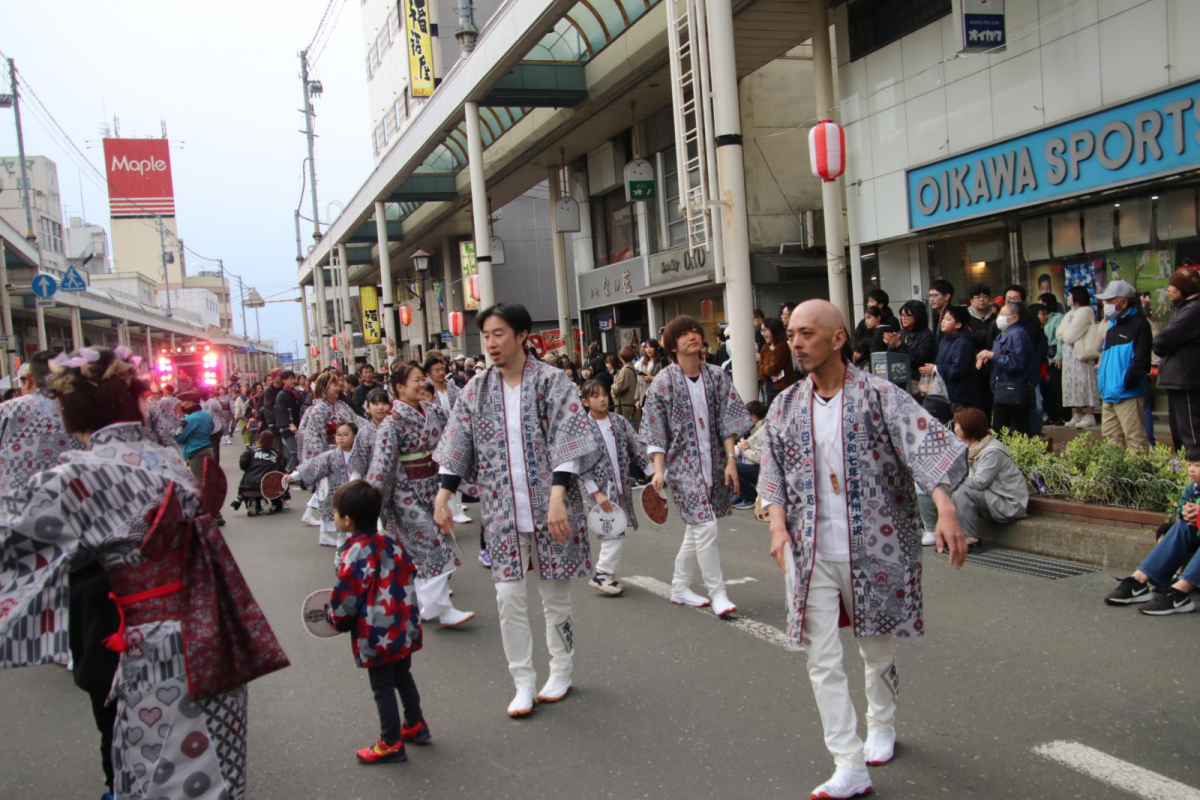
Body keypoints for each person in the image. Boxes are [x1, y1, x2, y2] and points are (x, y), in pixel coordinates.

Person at [0, 346, 289, 800]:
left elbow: (11, 541)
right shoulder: (167, 459)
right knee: (214, 767)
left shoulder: (76, 477)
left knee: (159, 771)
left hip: (153, 648)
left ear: (69, 411)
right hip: (209, 634)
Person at [758, 300, 968, 800]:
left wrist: (945, 507)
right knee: (821, 658)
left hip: (875, 547)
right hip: (810, 551)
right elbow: (773, 472)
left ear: (837, 339)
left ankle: (882, 722)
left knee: (875, 650)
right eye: (792, 334)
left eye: (807, 333)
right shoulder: (785, 405)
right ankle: (847, 763)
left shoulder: (880, 395)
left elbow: (925, 448)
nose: (796, 343)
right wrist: (777, 527)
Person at [433, 303, 602, 717]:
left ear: (522, 335)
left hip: (552, 508)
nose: (491, 343)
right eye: (486, 336)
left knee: (555, 598)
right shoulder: (476, 389)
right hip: (501, 513)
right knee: (508, 597)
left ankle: (560, 671)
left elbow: (569, 437)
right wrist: (442, 495)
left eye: (499, 334)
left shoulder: (552, 381)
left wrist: (558, 496)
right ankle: (522, 681)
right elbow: (457, 443)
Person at [640, 315, 753, 617]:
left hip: (714, 462)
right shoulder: (663, 382)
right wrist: (659, 469)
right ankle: (718, 594)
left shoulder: (716, 376)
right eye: (684, 334)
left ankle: (679, 587)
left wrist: (731, 460)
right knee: (706, 525)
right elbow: (655, 430)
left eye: (695, 331)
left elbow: (728, 421)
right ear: (672, 345)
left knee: (697, 527)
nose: (692, 336)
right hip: (681, 467)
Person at [362, 363, 475, 628]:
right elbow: (380, 465)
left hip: (432, 487)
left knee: (420, 552)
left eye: (422, 378)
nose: (422, 383)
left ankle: (424, 606)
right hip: (405, 494)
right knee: (434, 548)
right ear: (400, 387)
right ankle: (442, 610)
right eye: (415, 380)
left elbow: (456, 431)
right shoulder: (391, 423)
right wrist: (369, 501)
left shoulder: (433, 411)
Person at [325, 480, 429, 764]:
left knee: (382, 688)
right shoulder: (391, 541)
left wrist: (335, 619)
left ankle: (390, 743)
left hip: (376, 633)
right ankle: (415, 723)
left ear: (347, 520)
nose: (334, 516)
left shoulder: (355, 553)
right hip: (404, 626)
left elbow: (347, 596)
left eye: (336, 513)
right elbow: (410, 571)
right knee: (403, 676)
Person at [578, 378, 652, 597]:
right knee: (613, 530)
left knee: (615, 530)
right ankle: (602, 573)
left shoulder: (619, 421)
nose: (602, 399)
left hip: (621, 485)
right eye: (595, 396)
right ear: (585, 401)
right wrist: (596, 493)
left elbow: (636, 447)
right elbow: (580, 465)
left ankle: (606, 573)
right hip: (600, 490)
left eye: (604, 394)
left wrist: (653, 473)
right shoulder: (582, 428)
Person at [1104, 448, 1200, 614]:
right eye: (1189, 465)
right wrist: (1186, 514)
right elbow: (1182, 512)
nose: (1191, 469)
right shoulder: (1194, 487)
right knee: (1182, 527)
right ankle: (1139, 579)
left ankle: (1180, 593)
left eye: (1197, 466)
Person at [297, 372, 367, 545]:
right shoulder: (317, 410)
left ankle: (342, 531)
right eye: (335, 384)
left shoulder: (342, 405)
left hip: (346, 454)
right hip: (328, 456)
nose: (339, 386)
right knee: (328, 496)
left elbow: (357, 422)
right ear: (324, 387)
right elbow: (312, 438)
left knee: (344, 495)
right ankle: (329, 532)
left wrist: (374, 426)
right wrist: (321, 461)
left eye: (339, 383)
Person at [950, 407, 1029, 550]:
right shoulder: (972, 448)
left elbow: (979, 482)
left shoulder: (992, 451)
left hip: (1008, 502)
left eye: (957, 424)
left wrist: (954, 477)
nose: (954, 428)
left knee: (961, 490)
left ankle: (971, 539)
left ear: (968, 427)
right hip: (992, 497)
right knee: (947, 489)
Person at [0, 350, 81, 487]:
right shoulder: (82, 410)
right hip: (67, 493)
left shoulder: (8, 409)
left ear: (30, 379)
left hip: (12, 495)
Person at [1096, 279, 1153, 453]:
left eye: (1110, 300)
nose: (1105, 304)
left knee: (1135, 440)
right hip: (1109, 393)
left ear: (1124, 302)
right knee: (1111, 441)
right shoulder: (1112, 325)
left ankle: (1141, 471)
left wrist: (1125, 382)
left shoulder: (1140, 324)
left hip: (1128, 393)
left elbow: (1141, 362)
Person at [1152, 266, 1200, 453]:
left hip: (1186, 380)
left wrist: (1162, 344)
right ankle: (1185, 466)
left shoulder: (1194, 309)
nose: (1168, 289)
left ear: (1185, 288)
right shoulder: (1182, 308)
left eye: (1173, 286)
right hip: (1177, 379)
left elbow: (1163, 340)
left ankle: (1194, 466)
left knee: (1190, 433)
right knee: (1179, 432)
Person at [976, 301, 1037, 436]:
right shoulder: (1003, 334)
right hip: (1003, 389)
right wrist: (987, 359)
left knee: (1013, 431)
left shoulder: (1017, 334)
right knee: (1001, 431)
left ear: (1014, 317)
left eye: (1003, 314)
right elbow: (999, 358)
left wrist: (992, 356)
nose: (999, 317)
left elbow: (1016, 363)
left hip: (1014, 390)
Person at [174, 391, 226, 525]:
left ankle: (213, 515)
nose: (182, 404)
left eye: (184, 401)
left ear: (191, 402)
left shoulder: (189, 420)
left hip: (195, 454)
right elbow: (211, 428)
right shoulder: (206, 415)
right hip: (208, 450)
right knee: (207, 483)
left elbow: (178, 437)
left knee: (200, 486)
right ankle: (214, 514)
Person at [918, 306, 980, 410]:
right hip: (945, 392)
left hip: (959, 396)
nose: (943, 322)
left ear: (958, 324)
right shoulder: (945, 340)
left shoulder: (963, 342)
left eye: (947, 319)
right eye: (943, 318)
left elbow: (957, 369)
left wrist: (935, 369)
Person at [1058, 286, 1101, 428]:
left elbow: (1069, 336)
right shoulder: (1070, 313)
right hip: (1069, 356)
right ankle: (1078, 413)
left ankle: (1090, 414)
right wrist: (1066, 333)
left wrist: (1066, 333)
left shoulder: (1085, 311)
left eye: (1070, 295)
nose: (1068, 298)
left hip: (1081, 354)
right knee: (1073, 383)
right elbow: (1059, 333)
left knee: (1085, 382)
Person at [877, 300, 937, 386]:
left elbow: (920, 361)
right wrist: (891, 344)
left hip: (917, 380)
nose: (903, 318)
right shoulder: (901, 333)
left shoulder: (927, 336)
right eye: (902, 315)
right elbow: (891, 357)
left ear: (917, 316)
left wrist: (899, 345)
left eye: (907, 315)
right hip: (899, 377)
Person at [233, 429, 287, 516]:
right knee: (278, 506)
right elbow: (281, 469)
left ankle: (255, 504)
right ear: (272, 441)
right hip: (268, 487)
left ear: (259, 440)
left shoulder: (250, 450)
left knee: (249, 479)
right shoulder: (277, 453)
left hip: (248, 486)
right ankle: (270, 504)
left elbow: (243, 465)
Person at [730, 400, 768, 510]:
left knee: (734, 467)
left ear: (753, 417)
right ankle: (742, 494)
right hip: (759, 467)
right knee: (732, 463)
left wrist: (744, 450)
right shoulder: (758, 427)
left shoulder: (763, 431)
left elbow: (759, 457)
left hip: (764, 470)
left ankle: (750, 497)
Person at [1036, 295, 1066, 426]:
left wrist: (1059, 355)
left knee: (1056, 387)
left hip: (1054, 355)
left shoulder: (1057, 317)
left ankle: (1061, 415)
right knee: (1046, 388)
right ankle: (1051, 414)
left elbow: (1060, 338)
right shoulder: (1039, 319)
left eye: (1041, 302)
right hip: (1044, 356)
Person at [758, 317, 796, 404]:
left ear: (773, 329)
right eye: (762, 330)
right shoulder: (765, 347)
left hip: (783, 389)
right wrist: (767, 372)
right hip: (769, 389)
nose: (763, 333)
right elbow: (758, 369)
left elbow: (774, 369)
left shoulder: (782, 346)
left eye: (765, 330)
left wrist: (764, 369)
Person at [611, 345, 639, 420]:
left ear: (621, 357)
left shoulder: (625, 370)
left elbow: (617, 389)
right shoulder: (631, 367)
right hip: (632, 401)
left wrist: (614, 385)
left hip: (626, 403)